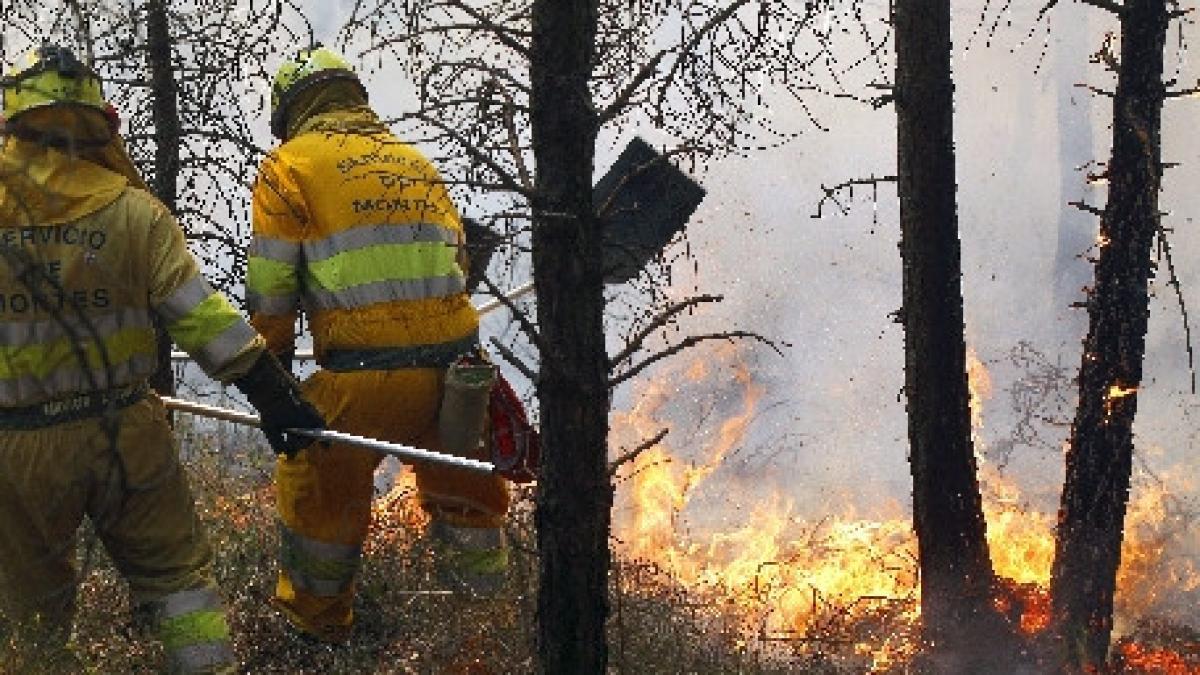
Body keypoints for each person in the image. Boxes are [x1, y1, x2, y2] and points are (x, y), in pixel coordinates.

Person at [0, 44, 324, 673]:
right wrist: (273, 392)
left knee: (30, 614)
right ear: (98, 120)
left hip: (17, 446)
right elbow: (202, 318)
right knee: (178, 581)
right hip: (127, 433)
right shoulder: (133, 210)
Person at [247, 45, 511, 643]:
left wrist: (274, 383)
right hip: (460, 380)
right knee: (469, 511)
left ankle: (316, 637)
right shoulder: (415, 163)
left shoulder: (289, 166)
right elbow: (460, 263)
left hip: (362, 382)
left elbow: (271, 292)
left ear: (291, 110)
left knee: (321, 509)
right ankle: (490, 636)